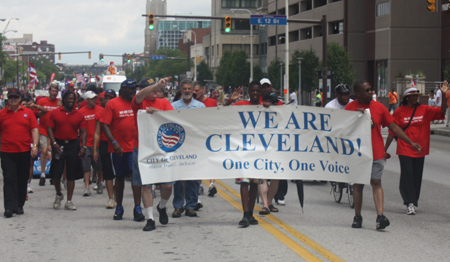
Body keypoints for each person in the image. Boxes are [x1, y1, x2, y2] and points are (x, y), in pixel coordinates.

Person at [345, 80, 421, 230]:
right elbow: (341, 128)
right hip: (358, 153)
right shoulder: (350, 108)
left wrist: (411, 142)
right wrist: (355, 117)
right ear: (358, 93)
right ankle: (357, 216)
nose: (371, 92)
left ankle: (380, 216)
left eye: (371, 89)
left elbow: (394, 127)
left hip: (377, 152)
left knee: (376, 182)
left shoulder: (379, 107)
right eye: (366, 90)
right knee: (358, 184)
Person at [384, 83, 448, 215]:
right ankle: (410, 202)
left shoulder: (425, 109)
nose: (415, 98)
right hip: (405, 148)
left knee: (417, 176)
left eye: (416, 96)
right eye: (412, 96)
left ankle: (414, 200)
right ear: (406, 98)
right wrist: (384, 150)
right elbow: (392, 132)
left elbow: (442, 110)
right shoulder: (399, 111)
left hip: (420, 149)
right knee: (407, 175)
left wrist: (443, 94)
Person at [132, 77, 173, 231]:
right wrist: (157, 84)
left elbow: (173, 119)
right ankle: (150, 219)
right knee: (146, 184)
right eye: (152, 88)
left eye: (157, 88)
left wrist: (157, 112)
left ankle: (162, 206)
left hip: (162, 149)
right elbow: (139, 96)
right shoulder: (139, 103)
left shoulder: (163, 103)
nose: (156, 91)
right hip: (142, 148)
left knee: (167, 185)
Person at [102, 80, 144, 221]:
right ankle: (119, 206)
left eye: (135, 88)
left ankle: (137, 207)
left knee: (135, 177)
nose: (134, 91)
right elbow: (105, 125)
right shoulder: (112, 104)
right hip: (119, 148)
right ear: (123, 89)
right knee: (119, 177)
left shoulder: (137, 103)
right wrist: (113, 142)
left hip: (135, 146)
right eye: (131, 89)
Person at [0, 88, 39, 218]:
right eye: (11, 97)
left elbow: (34, 130)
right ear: (8, 99)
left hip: (24, 151)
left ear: (20, 99)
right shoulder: (2, 113)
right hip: (7, 152)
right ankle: (8, 207)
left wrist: (35, 146)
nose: (13, 99)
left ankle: (19, 205)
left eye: (15, 97)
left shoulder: (28, 113)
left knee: (22, 179)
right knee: (9, 179)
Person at [171, 79, 206, 218]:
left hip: (194, 145)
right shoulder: (173, 106)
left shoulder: (200, 106)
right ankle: (178, 206)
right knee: (178, 177)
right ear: (181, 89)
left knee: (193, 176)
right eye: (184, 89)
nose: (187, 91)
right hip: (178, 146)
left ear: (193, 90)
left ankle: (191, 205)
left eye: (189, 89)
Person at [47, 91, 87, 211]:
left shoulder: (79, 114)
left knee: (71, 174)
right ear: (64, 99)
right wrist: (53, 143)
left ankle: (69, 201)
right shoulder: (55, 113)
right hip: (58, 144)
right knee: (56, 173)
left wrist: (83, 146)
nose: (71, 101)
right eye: (69, 98)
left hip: (73, 144)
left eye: (73, 99)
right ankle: (59, 194)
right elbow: (50, 129)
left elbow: (83, 131)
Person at [193, 81, 218, 198]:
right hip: (196, 137)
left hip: (210, 136)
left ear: (203, 89)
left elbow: (218, 115)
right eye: (194, 90)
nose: (195, 92)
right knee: (198, 161)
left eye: (197, 90)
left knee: (211, 160)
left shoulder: (212, 102)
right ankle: (199, 184)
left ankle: (212, 184)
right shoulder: (191, 103)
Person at [258, 91, 281, 216]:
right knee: (263, 176)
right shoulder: (257, 112)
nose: (274, 105)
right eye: (271, 102)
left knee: (276, 177)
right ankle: (265, 204)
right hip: (261, 147)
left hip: (276, 147)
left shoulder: (280, 112)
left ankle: (270, 201)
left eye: (275, 102)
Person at [93, 90, 117, 208]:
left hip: (118, 144)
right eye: (105, 98)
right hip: (104, 145)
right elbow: (97, 132)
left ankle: (118, 196)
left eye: (109, 98)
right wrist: (94, 149)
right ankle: (111, 198)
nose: (107, 101)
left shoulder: (118, 110)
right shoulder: (100, 114)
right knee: (108, 172)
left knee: (119, 173)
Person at [79, 91, 104, 196]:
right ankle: (87, 187)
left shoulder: (101, 110)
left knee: (99, 166)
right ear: (87, 100)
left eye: (95, 98)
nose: (95, 100)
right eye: (92, 98)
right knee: (86, 167)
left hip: (98, 143)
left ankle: (100, 182)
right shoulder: (81, 112)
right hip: (86, 143)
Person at [35, 84, 59, 186]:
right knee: (44, 150)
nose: (54, 93)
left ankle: (53, 175)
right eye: (52, 91)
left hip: (55, 130)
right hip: (43, 129)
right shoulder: (42, 102)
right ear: (49, 91)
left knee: (54, 152)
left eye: (55, 91)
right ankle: (43, 174)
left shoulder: (59, 102)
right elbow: (35, 115)